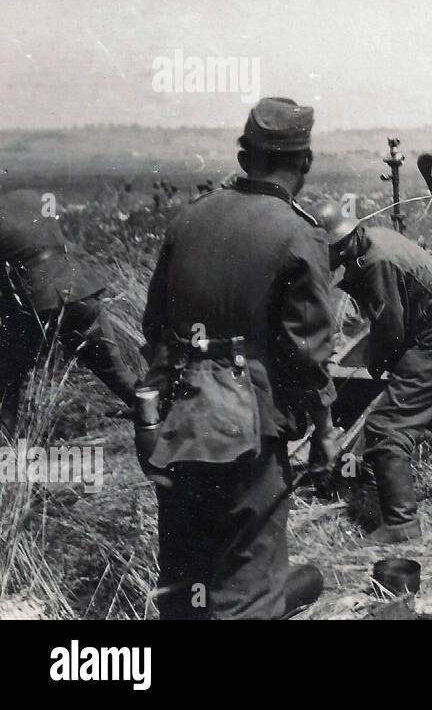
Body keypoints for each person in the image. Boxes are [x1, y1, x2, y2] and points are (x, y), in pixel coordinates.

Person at [139, 97, 339, 619]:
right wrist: (325, 432)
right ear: (306, 162)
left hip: (180, 425)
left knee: (184, 582)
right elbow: (309, 354)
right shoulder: (298, 232)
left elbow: (154, 328)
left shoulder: (189, 221)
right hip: (246, 432)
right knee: (248, 586)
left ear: (243, 155)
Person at [315, 201, 432, 545]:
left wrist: (379, 362)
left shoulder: (376, 261)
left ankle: (401, 522)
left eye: (329, 252)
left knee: (386, 425)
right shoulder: (372, 240)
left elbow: (390, 328)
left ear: (341, 243)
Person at [0, 189, 140, 437]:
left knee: (6, 383)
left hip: (42, 301)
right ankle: (166, 423)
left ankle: (5, 448)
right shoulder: (33, 197)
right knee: (116, 372)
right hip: (80, 288)